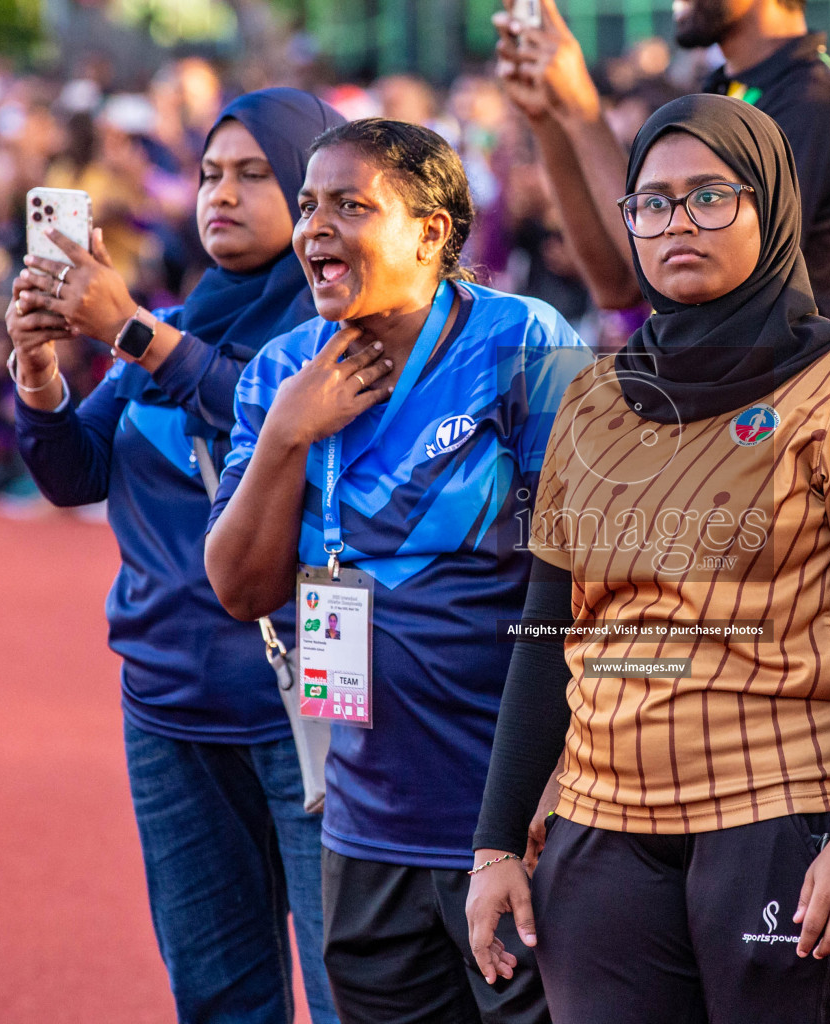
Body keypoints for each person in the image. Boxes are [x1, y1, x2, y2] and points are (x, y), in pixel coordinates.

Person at [465, 94, 830, 1024]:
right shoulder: (594, 397)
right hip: (600, 827)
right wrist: (493, 844)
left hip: (778, 816)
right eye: (652, 203)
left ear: (770, 206)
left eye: (710, 196)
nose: (677, 222)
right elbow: (547, 633)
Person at [203, 117, 589, 1024]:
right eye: (307, 207)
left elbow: (588, 570)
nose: (314, 229)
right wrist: (287, 433)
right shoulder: (280, 373)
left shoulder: (523, 341)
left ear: (432, 232)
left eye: (350, 205)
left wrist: (553, 783)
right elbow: (238, 588)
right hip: (365, 826)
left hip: (515, 821)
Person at [6, 88, 345, 1024]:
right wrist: (39, 375)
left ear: (319, 194)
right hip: (167, 704)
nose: (219, 195)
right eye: (206, 175)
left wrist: (136, 335)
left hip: (317, 695)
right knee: (217, 995)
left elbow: (279, 418)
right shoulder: (176, 319)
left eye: (252, 174)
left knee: (349, 986)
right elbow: (76, 471)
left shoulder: (347, 325)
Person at [493, 0, 830, 321]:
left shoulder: (812, 103)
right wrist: (548, 115)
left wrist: (581, 107)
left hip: (781, 394)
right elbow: (617, 285)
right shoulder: (725, 91)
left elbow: (725, 290)